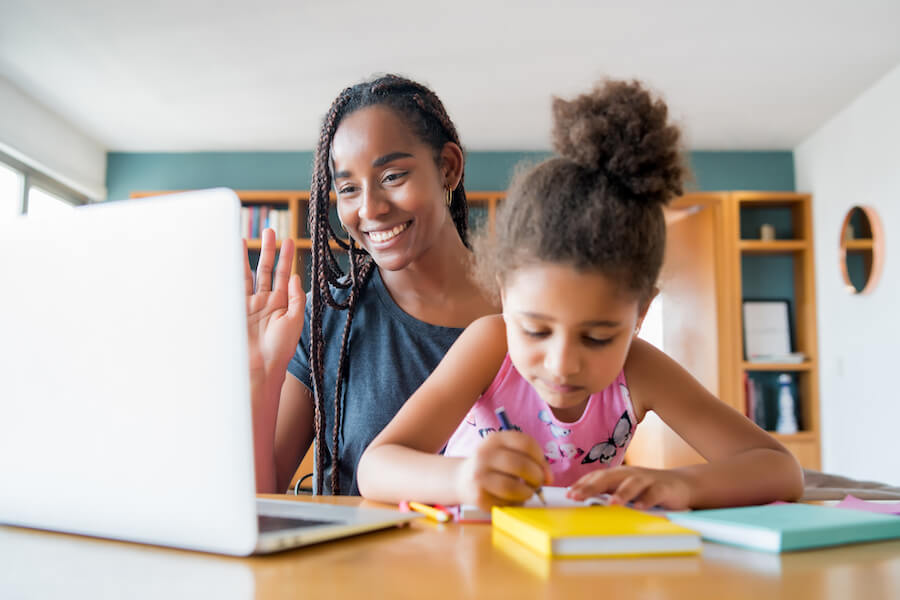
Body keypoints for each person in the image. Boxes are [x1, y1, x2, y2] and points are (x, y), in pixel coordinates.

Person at [357, 79, 805, 511]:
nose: (562, 363)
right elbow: (376, 467)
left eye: (597, 338)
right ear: (504, 294)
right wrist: (459, 478)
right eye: (535, 330)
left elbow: (779, 468)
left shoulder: (640, 370)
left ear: (642, 312)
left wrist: (680, 483)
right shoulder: (489, 345)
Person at [244, 74, 497, 495]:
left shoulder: (529, 309)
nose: (370, 209)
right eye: (347, 188)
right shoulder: (325, 318)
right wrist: (260, 376)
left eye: (393, 176)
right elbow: (257, 502)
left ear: (448, 167)